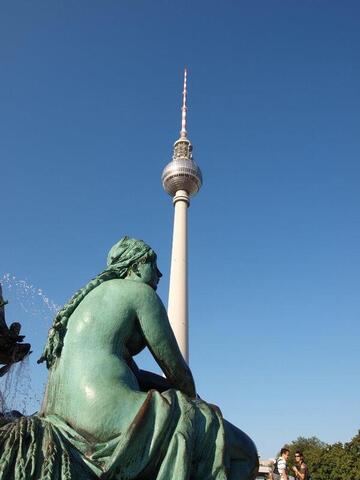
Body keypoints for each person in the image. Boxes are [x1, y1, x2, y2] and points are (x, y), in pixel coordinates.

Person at [0, 236, 259, 480]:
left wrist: (168, 390)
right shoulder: (140, 293)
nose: (159, 274)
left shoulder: (82, 304)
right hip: (102, 412)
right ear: (134, 266)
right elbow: (177, 371)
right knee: (242, 451)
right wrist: (197, 404)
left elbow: (137, 376)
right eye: (152, 264)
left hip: (62, 415)